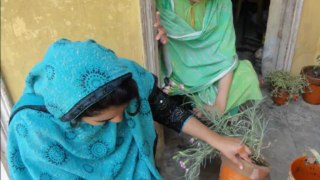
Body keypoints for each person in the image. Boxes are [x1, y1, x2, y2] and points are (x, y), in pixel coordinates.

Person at [7, 39, 252, 179]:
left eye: (124, 111)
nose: (119, 121)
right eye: (104, 120)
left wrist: (218, 140)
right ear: (74, 116)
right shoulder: (33, 127)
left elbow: (167, 110)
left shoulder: (124, 75)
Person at [155, 0, 262, 115]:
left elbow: (226, 58)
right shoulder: (164, 3)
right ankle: (192, 105)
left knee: (247, 75)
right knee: (161, 87)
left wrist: (219, 106)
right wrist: (159, 33)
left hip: (211, 75)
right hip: (178, 76)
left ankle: (198, 107)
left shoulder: (222, 4)